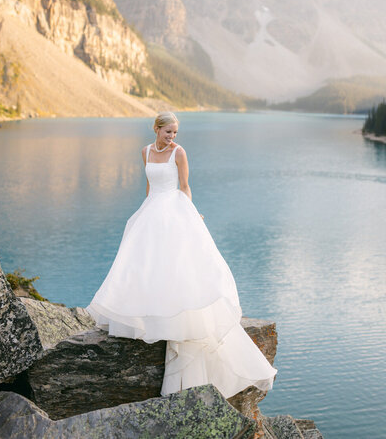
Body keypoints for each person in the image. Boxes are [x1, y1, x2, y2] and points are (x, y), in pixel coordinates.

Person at [86, 111, 277, 397]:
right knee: (144, 265)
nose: (172, 137)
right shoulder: (145, 151)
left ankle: (172, 316)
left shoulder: (179, 153)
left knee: (174, 266)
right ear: (156, 129)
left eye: (175, 133)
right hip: (152, 210)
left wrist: (191, 214)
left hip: (174, 212)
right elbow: (149, 187)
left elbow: (185, 187)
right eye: (168, 132)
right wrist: (142, 213)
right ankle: (145, 314)